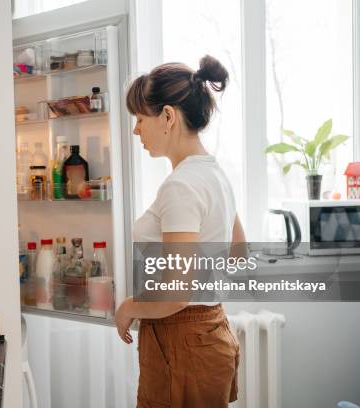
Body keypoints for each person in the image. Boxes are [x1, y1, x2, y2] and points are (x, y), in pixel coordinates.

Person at [115, 55, 246, 408]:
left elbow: (176, 293)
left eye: (140, 118)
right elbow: (239, 252)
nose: (136, 129)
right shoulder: (216, 174)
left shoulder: (182, 186)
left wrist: (129, 306)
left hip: (180, 338)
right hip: (211, 329)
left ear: (168, 117)